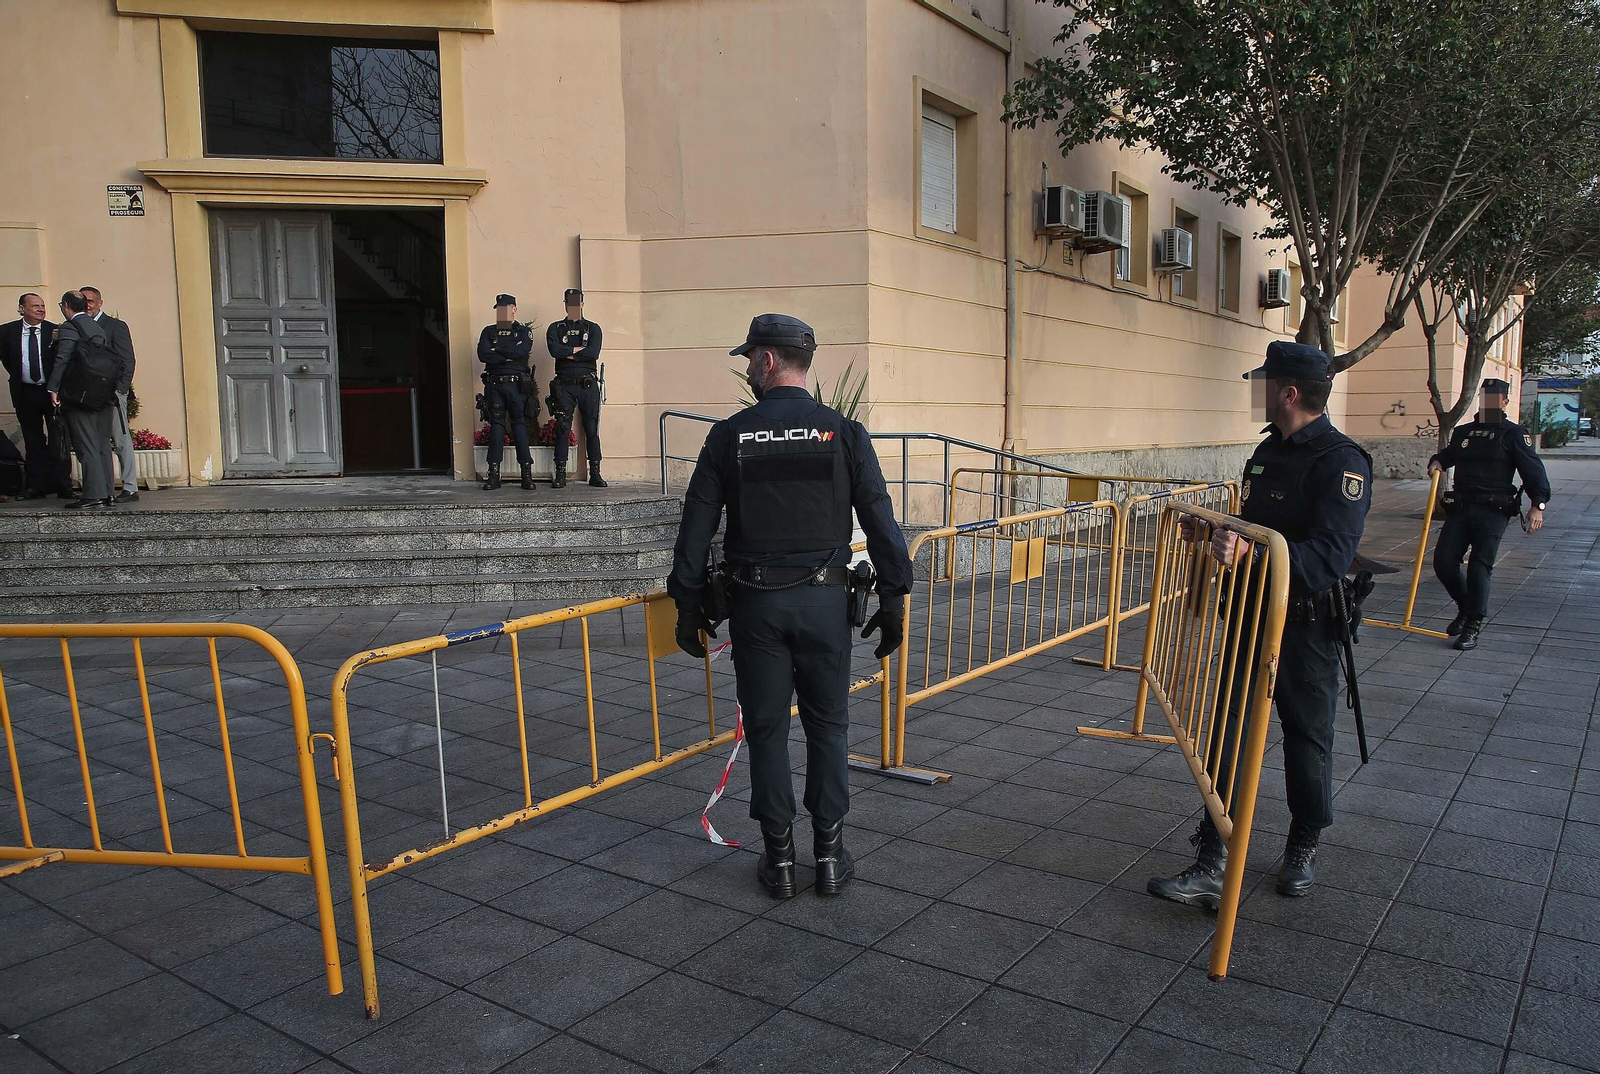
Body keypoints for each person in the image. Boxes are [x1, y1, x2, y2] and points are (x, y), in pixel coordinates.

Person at [667, 314, 913, 899]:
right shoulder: (844, 433)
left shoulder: (729, 436)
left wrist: (687, 602)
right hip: (826, 604)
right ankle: (828, 856)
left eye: (750, 358)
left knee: (767, 730)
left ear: (768, 360)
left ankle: (778, 860)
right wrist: (894, 597)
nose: (749, 368)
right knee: (829, 726)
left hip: (757, 608)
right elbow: (880, 518)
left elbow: (696, 526)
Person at [1148, 341, 1372, 907]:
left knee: (1307, 737)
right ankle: (1213, 857)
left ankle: (1303, 843)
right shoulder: (1268, 450)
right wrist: (1217, 531)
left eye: (1264, 383)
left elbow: (1329, 558)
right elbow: (1256, 524)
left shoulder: (1341, 461)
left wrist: (1253, 552)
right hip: (1251, 615)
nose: (1256, 391)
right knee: (1227, 733)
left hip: (1305, 625)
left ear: (1289, 393)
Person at [1428, 378, 1550, 651]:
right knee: (1443, 562)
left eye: (1496, 398)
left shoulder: (1513, 434)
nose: (1490, 402)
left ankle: (1472, 624)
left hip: (1493, 510)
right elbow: (1448, 455)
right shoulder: (1464, 432)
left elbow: (1533, 471)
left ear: (1504, 402)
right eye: (1486, 397)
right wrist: (1437, 461)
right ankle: (1466, 607)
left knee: (1479, 567)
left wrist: (1538, 505)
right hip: (1461, 508)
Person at [46, 292, 116, 509]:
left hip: (80, 394)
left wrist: (53, 387)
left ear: (65, 305)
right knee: (102, 444)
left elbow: (63, 358)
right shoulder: (96, 326)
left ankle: (93, 495)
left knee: (86, 445)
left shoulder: (70, 327)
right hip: (102, 393)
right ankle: (107, 493)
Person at [0, 292, 73, 499]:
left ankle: (64, 485)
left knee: (59, 439)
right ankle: (35, 486)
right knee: (33, 441)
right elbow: (7, 360)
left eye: (42, 306)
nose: (41, 309)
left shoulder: (55, 330)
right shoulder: (7, 331)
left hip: (52, 393)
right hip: (25, 393)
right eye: (35, 306)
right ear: (22, 309)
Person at [81, 286, 138, 502]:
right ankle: (103, 489)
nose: (87, 305)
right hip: (88, 395)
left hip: (113, 393)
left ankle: (130, 487)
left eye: (90, 301)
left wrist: (120, 389)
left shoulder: (115, 326)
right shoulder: (77, 326)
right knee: (97, 441)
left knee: (120, 439)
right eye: (83, 301)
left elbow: (128, 360)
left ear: (100, 303)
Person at [545, 288, 606, 489]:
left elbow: (593, 352)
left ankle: (595, 472)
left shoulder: (592, 328)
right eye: (568, 302)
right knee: (562, 427)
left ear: (582, 304)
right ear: (565, 304)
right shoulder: (556, 328)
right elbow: (555, 351)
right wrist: (579, 351)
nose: (572, 306)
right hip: (564, 384)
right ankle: (560, 473)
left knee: (592, 428)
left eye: (576, 302)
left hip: (587, 384)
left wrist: (568, 353)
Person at [477, 293, 535, 491]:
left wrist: (497, 351)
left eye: (505, 308)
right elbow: (483, 354)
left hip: (516, 386)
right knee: (496, 427)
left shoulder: (523, 331)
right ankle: (494, 475)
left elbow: (521, 352)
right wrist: (508, 354)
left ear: (514, 309)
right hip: (495, 386)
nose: (501, 312)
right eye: (499, 309)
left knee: (519, 425)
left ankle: (526, 474)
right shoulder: (488, 331)